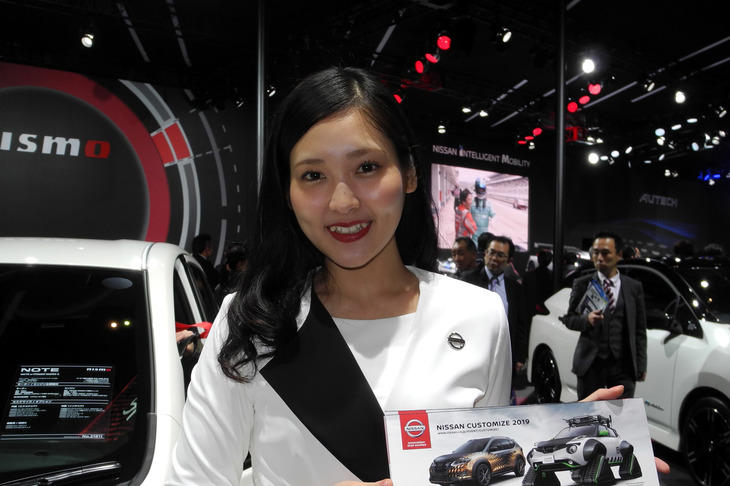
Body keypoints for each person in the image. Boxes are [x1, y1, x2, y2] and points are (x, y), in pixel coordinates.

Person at [168, 67, 512, 485]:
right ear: (288, 192)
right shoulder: (250, 321)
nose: (343, 202)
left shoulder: (479, 316)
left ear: (408, 173)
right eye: (313, 175)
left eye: (366, 167)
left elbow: (490, 472)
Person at [560, 231, 648, 401]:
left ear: (619, 255)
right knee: (589, 412)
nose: (599, 258)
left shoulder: (633, 287)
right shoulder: (582, 283)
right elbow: (569, 319)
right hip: (591, 364)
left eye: (605, 253)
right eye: (596, 253)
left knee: (623, 412)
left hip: (623, 365)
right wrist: (586, 320)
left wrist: (641, 364)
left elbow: (639, 329)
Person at [462, 236, 528, 389]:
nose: (494, 258)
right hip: (473, 353)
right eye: (491, 252)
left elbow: (520, 325)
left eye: (500, 255)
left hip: (503, 357)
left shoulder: (515, 288)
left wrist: (519, 357)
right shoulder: (468, 280)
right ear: (485, 253)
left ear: (509, 260)